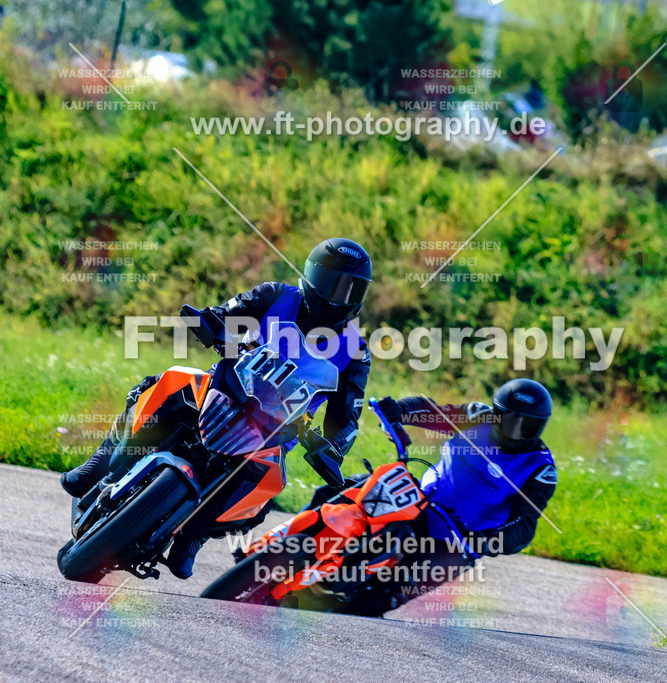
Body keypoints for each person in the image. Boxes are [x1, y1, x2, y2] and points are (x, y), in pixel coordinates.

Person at [60, 238, 373, 579]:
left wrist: (333, 446)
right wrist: (210, 323)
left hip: (275, 431)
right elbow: (225, 313)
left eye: (350, 289)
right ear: (311, 275)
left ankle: (194, 536)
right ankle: (103, 461)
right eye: (330, 283)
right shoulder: (275, 295)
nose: (336, 296)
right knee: (168, 382)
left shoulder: (356, 351)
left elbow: (346, 416)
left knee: (265, 491)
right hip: (225, 386)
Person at [308, 378, 557, 616]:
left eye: (527, 425)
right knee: (353, 487)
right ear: (496, 412)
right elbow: (431, 411)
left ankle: (348, 605)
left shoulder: (541, 470)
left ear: (541, 426)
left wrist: (483, 540)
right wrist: (400, 410)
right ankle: (301, 535)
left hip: (458, 541)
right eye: (509, 419)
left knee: (379, 599)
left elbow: (524, 526)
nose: (516, 431)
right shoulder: (478, 417)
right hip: (418, 501)